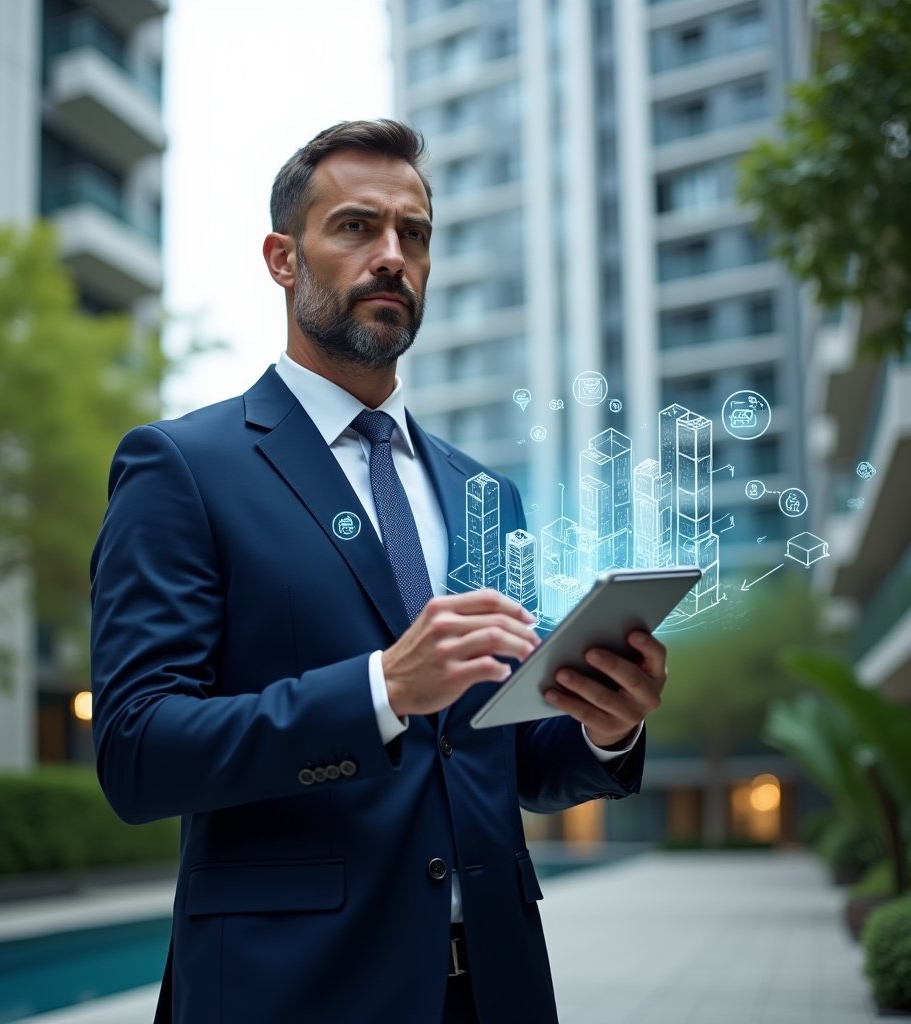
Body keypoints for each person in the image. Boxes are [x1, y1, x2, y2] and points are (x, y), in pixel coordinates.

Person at [90, 119, 668, 1024]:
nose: (393, 255)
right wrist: (380, 690)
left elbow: (509, 759)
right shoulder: (183, 468)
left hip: (494, 988)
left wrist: (606, 726)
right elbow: (137, 752)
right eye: (357, 227)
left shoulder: (485, 495)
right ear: (284, 259)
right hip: (291, 991)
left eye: (415, 234)